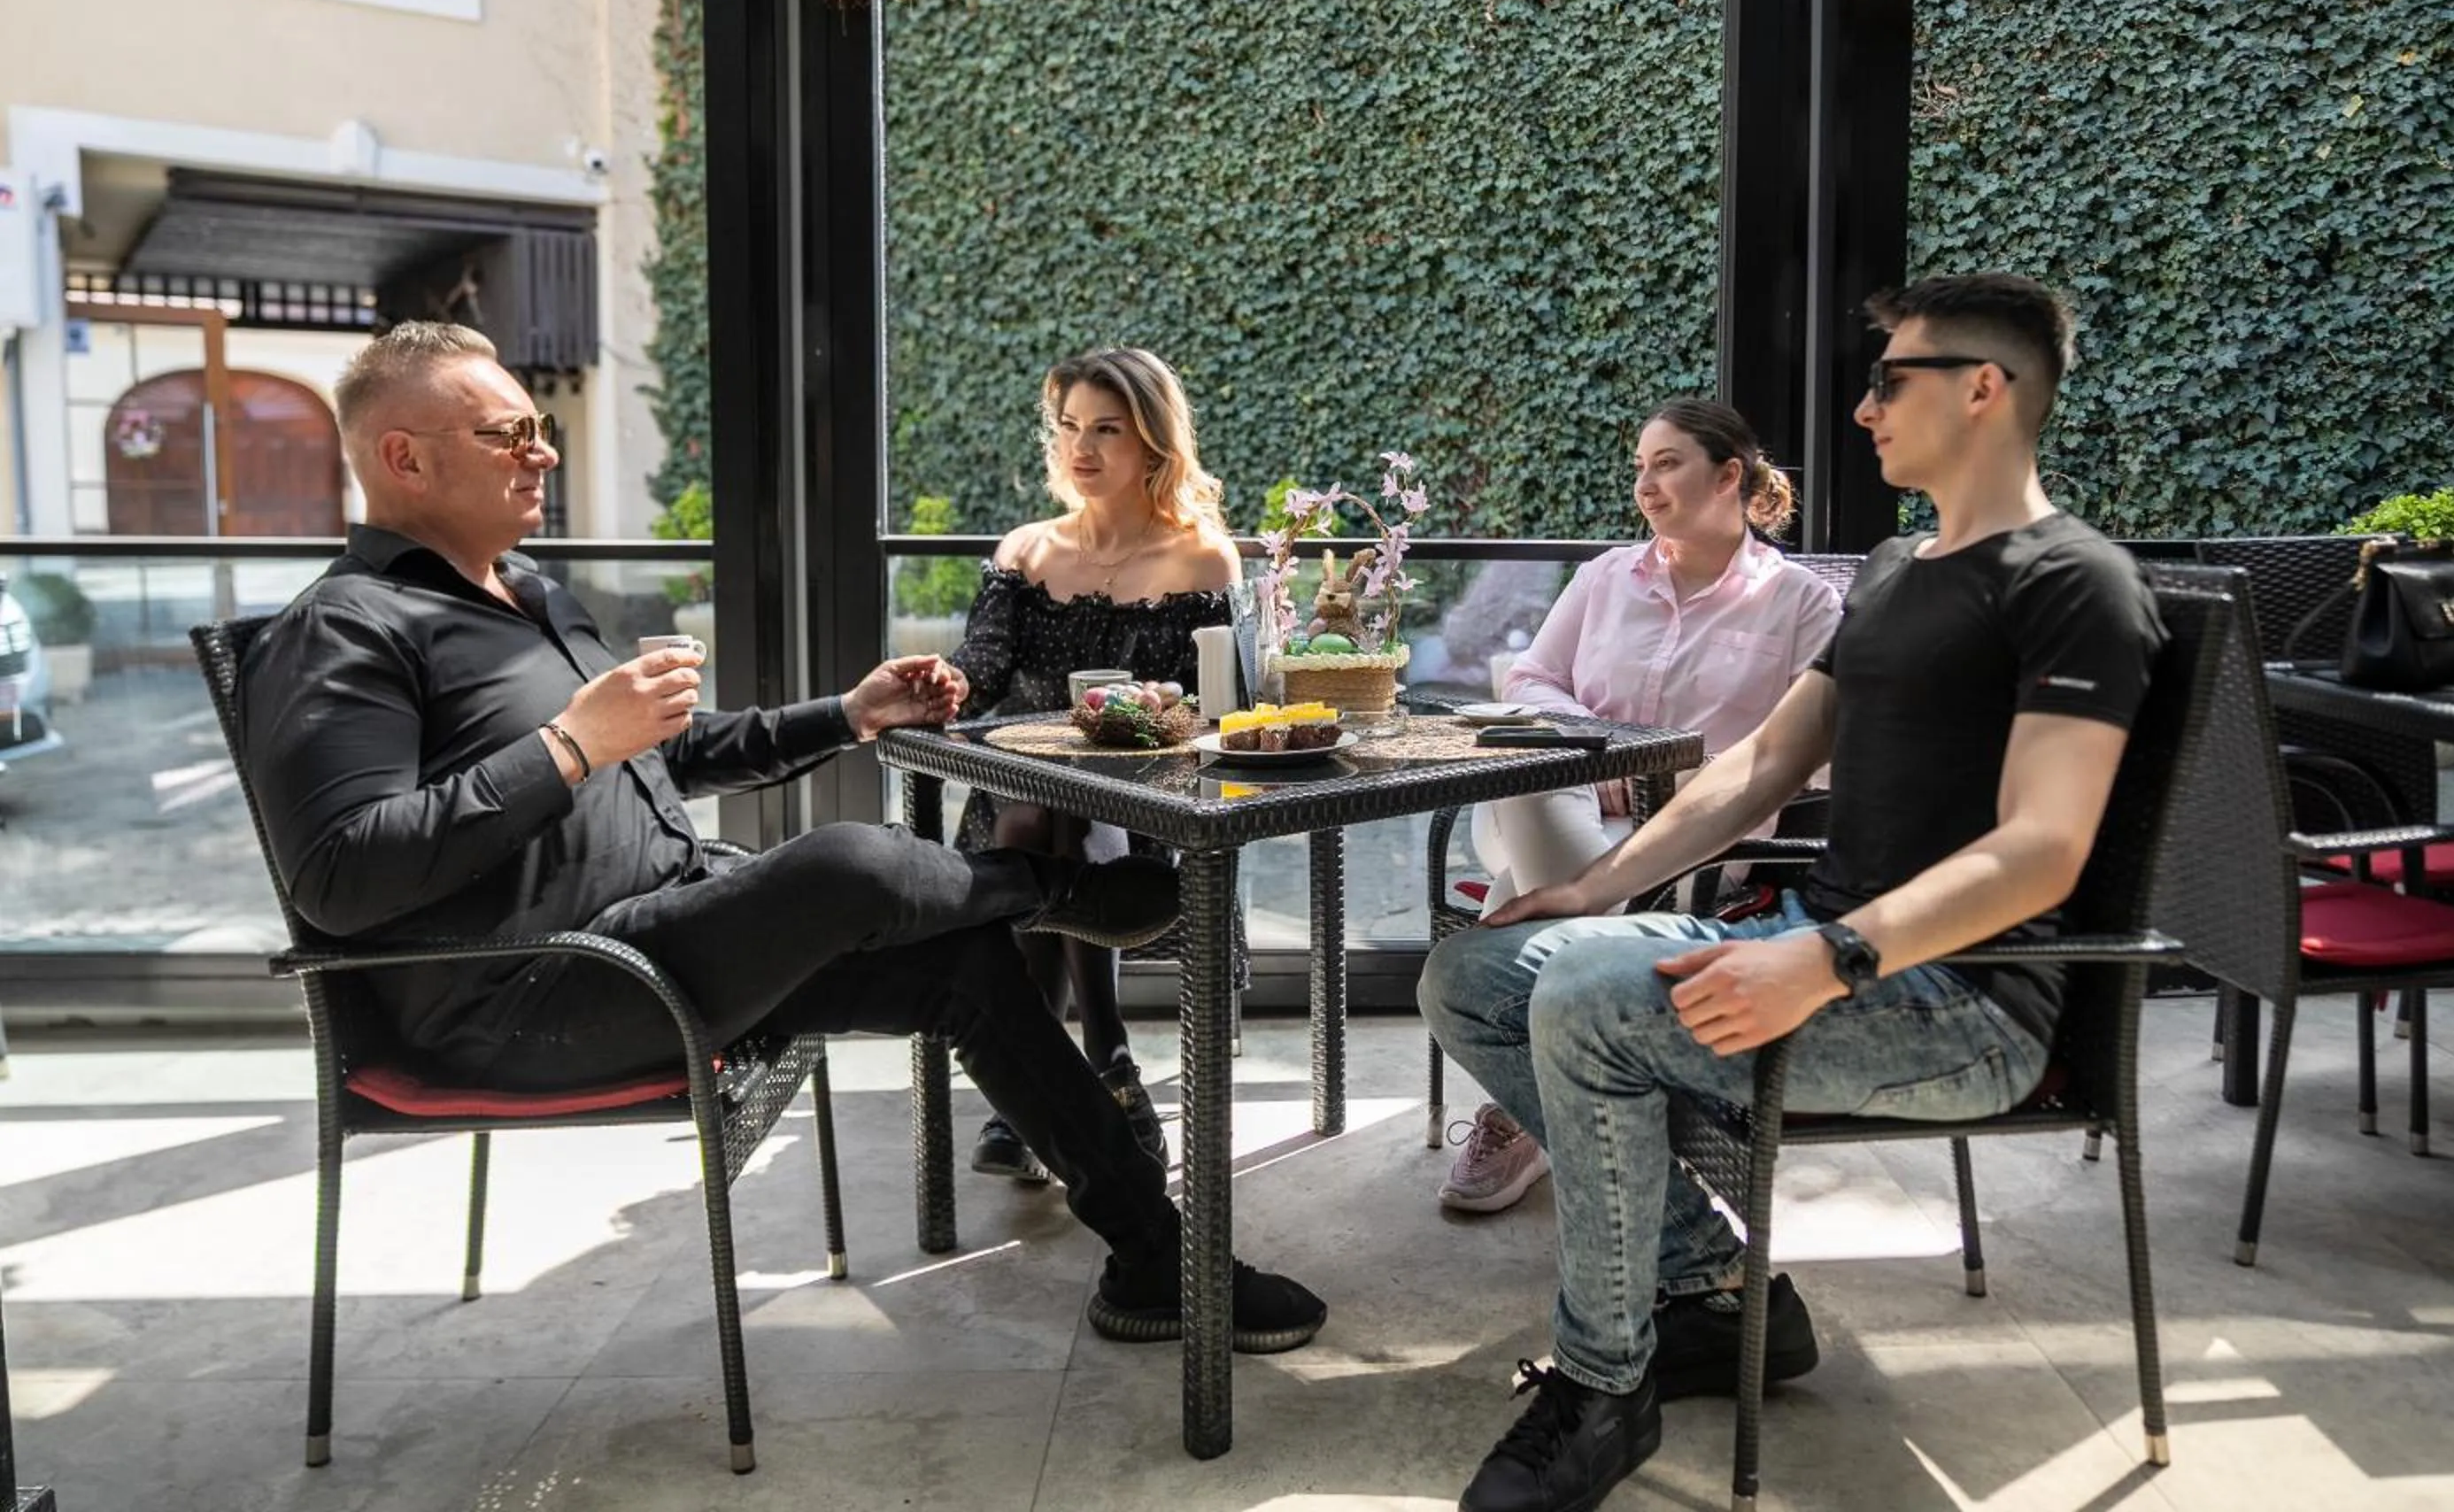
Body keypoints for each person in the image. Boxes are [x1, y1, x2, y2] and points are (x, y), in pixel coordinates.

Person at [240, 322, 1325, 1354]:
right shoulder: (347, 625)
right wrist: (572, 746)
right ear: (403, 458)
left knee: (959, 956)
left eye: (540, 428)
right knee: (846, 861)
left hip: (660, 937)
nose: (542, 451)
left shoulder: (529, 597)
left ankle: (1156, 1260)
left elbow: (670, 753)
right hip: (529, 995)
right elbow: (341, 876)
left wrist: (850, 713)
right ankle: (1049, 885)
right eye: (507, 433)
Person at [1422, 274, 2166, 1512]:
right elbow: (1766, 761)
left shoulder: (2073, 581)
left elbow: (2046, 847)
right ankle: (1718, 1293)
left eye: (1892, 379)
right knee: (1473, 977)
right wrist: (1593, 889)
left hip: (1962, 1008)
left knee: (1590, 1005)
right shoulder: (1891, 568)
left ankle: (1608, 1388)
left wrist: (1828, 959)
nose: (1866, 409)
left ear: (1985, 387)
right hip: (1827, 946)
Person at [1439, 400, 1841, 1217]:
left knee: (1523, 874)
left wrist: (1675, 776)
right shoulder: (1603, 579)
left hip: (1702, 839)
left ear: (1730, 474)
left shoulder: (1799, 603)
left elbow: (1819, 750)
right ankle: (1595, 1077)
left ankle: (1534, 1103)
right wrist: (1602, 747)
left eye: (1667, 464)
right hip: (1563, 801)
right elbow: (1529, 681)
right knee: (1530, 772)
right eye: (1639, 467)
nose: (1645, 485)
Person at [946, 346, 1239, 1181]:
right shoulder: (1025, 552)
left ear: (1152, 443)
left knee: (1064, 810)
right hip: (1016, 810)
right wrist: (937, 684)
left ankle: (1034, 1094)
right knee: (1046, 807)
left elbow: (1215, 709)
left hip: (1149, 813)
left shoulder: (1200, 559)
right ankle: (1107, 1061)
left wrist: (1159, 707)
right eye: (1071, 426)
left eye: (1107, 430)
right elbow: (981, 675)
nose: (1082, 448)